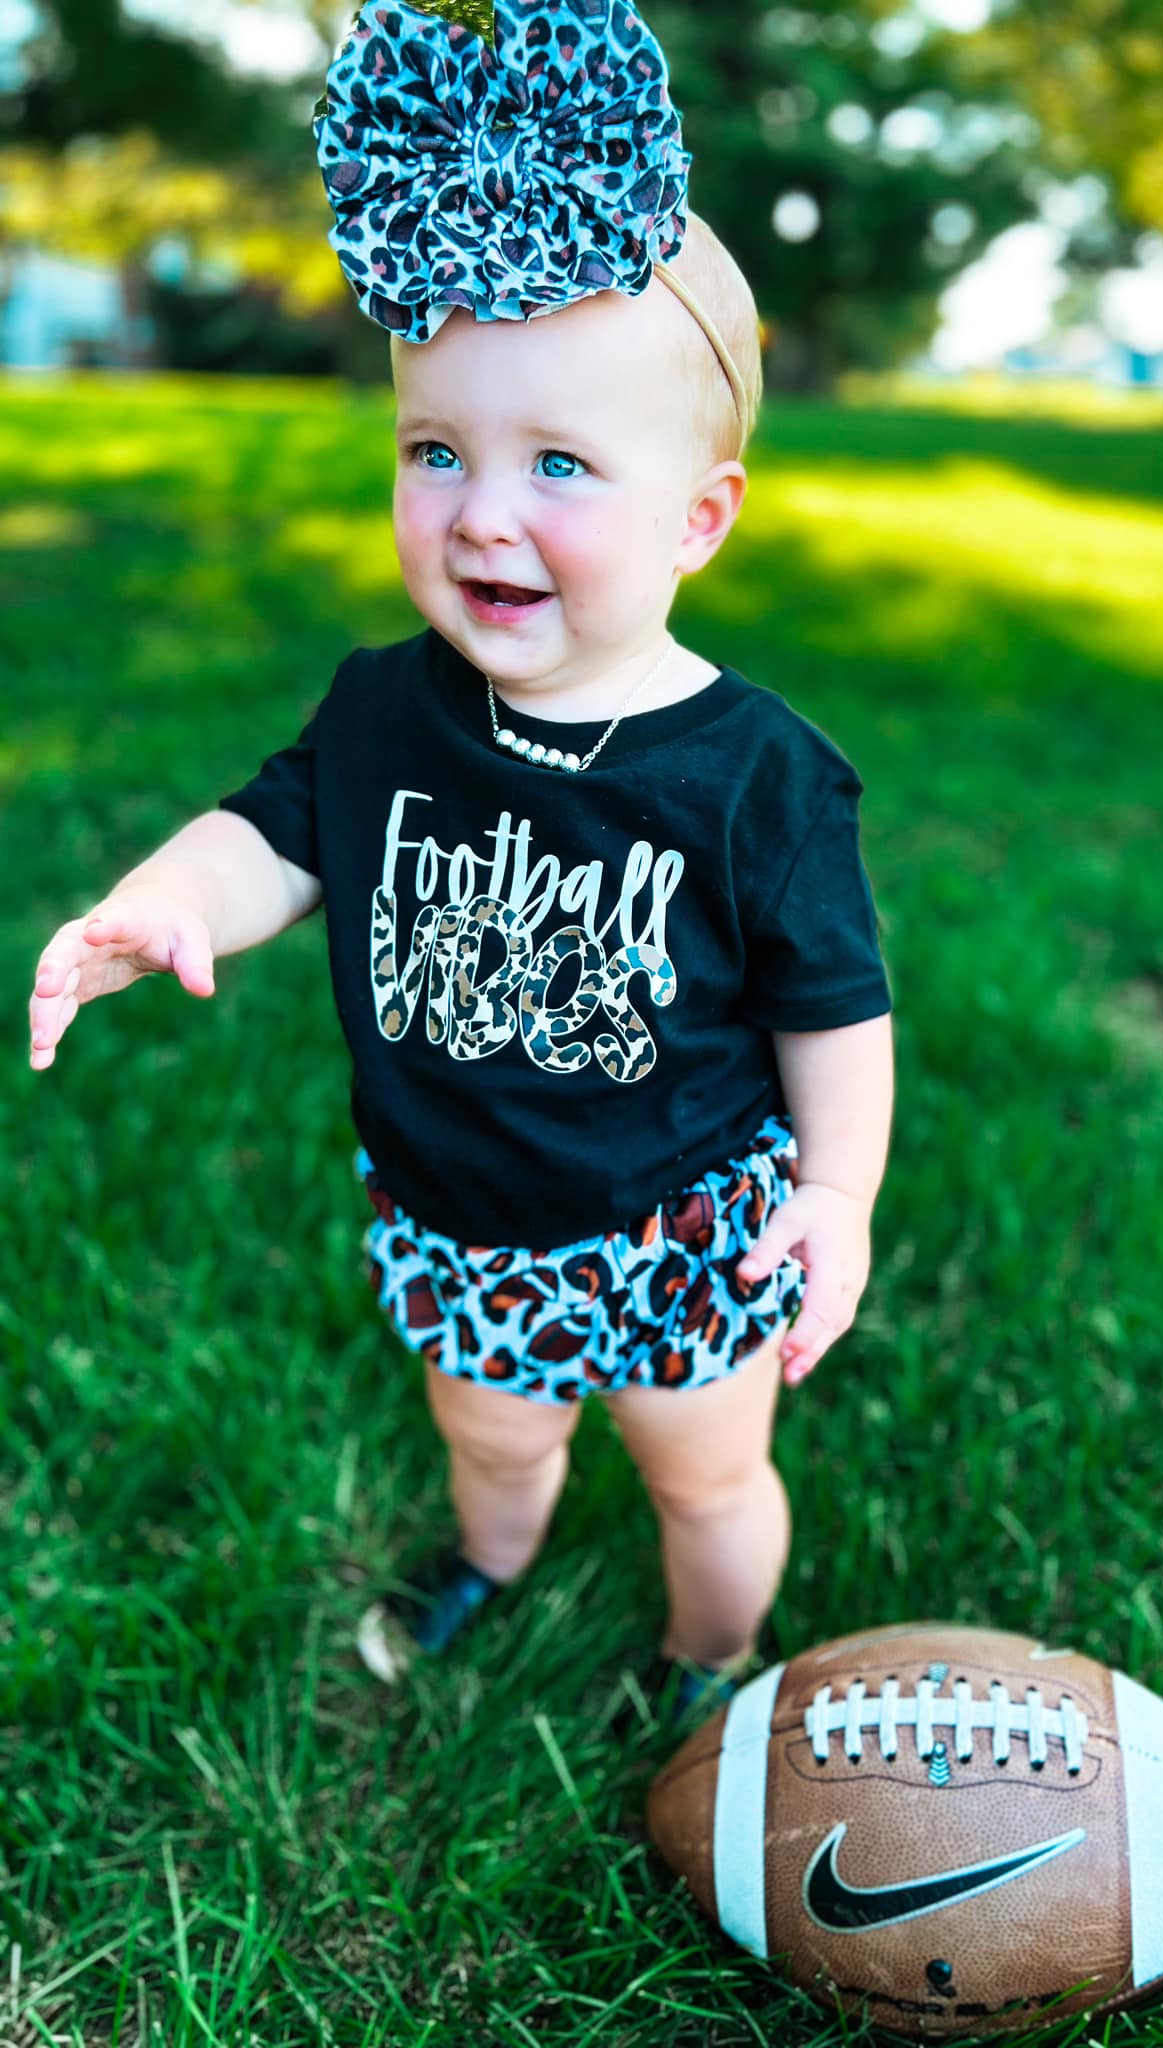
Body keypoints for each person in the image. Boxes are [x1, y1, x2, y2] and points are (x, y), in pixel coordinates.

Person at [25, 0, 895, 1732]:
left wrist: (840, 1199)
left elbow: (836, 1011)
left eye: (559, 465)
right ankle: (492, 1561)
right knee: (491, 1435)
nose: (481, 513)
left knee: (707, 1474)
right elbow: (280, 838)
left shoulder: (756, 776)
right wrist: (165, 904)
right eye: (439, 452)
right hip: (461, 1213)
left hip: (686, 1224)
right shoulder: (384, 714)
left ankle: (706, 1659)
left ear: (697, 517)